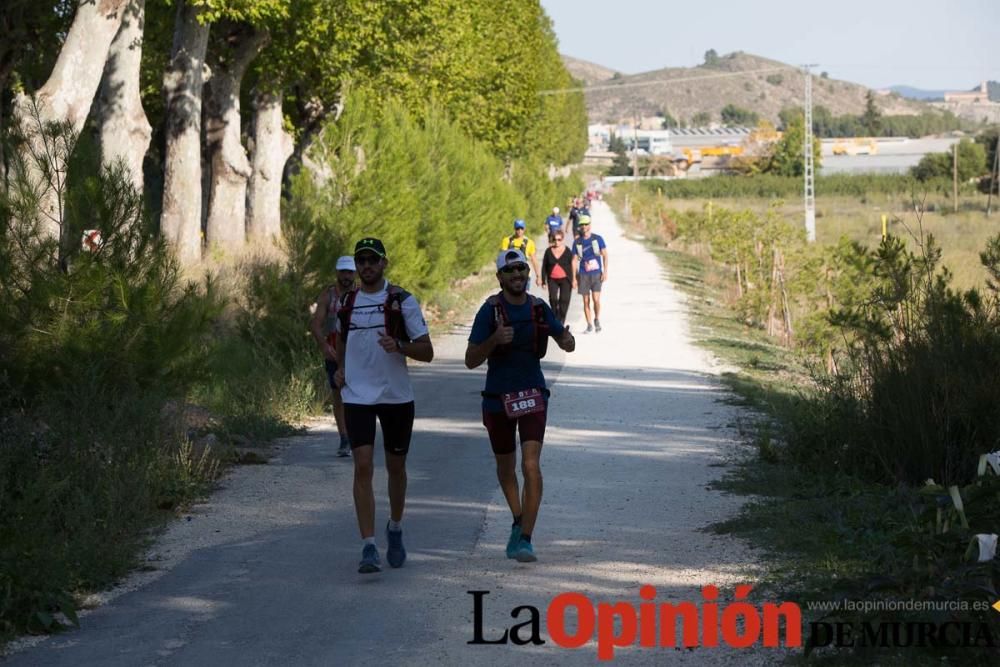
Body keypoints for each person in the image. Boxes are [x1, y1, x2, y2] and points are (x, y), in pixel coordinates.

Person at [465, 248, 575, 563]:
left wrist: (568, 342)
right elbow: (471, 360)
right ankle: (517, 519)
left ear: (527, 274)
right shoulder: (489, 311)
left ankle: (526, 537)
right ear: (499, 277)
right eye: (510, 271)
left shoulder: (538, 308)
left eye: (521, 270)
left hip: (532, 394)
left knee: (530, 465)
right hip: (498, 399)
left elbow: (564, 339)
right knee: (505, 467)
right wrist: (494, 340)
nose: (517, 276)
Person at [334, 237, 434, 574]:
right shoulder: (347, 302)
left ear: (384, 264)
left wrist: (400, 346)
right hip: (357, 396)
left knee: (396, 468)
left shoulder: (402, 301)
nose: (366, 266)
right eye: (361, 260)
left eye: (372, 260)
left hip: (395, 397)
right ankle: (368, 546)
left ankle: (395, 526)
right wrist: (341, 370)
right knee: (362, 465)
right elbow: (342, 340)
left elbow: (427, 351)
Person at [310, 255, 357, 457]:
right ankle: (344, 438)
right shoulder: (328, 296)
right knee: (339, 396)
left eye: (349, 272)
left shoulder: (360, 294)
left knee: (358, 396)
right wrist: (324, 346)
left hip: (357, 354)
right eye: (343, 272)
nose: (346, 276)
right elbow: (315, 324)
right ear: (337, 273)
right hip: (334, 354)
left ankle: (358, 436)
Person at [572, 216, 609, 333]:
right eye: (582, 225)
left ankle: (597, 319)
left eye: (586, 224)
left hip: (596, 273)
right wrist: (574, 278)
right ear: (580, 227)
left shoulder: (597, 239)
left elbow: (605, 255)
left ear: (590, 225)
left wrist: (606, 271)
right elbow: (574, 260)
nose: (584, 227)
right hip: (583, 274)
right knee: (586, 301)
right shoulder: (578, 242)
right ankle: (589, 324)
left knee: (596, 299)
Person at [541, 231, 574, 324]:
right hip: (552, 279)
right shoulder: (548, 251)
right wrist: (543, 281)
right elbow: (544, 266)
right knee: (553, 299)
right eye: (555, 239)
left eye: (559, 239)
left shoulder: (567, 251)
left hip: (566, 279)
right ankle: (555, 317)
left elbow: (573, 265)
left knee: (564, 300)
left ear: (562, 239)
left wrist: (575, 279)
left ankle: (561, 320)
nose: (557, 242)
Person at [500, 219, 541, 287]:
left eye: (521, 228)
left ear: (524, 229)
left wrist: (538, 276)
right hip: (510, 274)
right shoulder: (507, 241)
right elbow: (502, 258)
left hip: (524, 274)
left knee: (524, 295)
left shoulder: (529, 242)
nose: (519, 231)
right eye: (517, 228)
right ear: (514, 229)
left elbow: (534, 260)